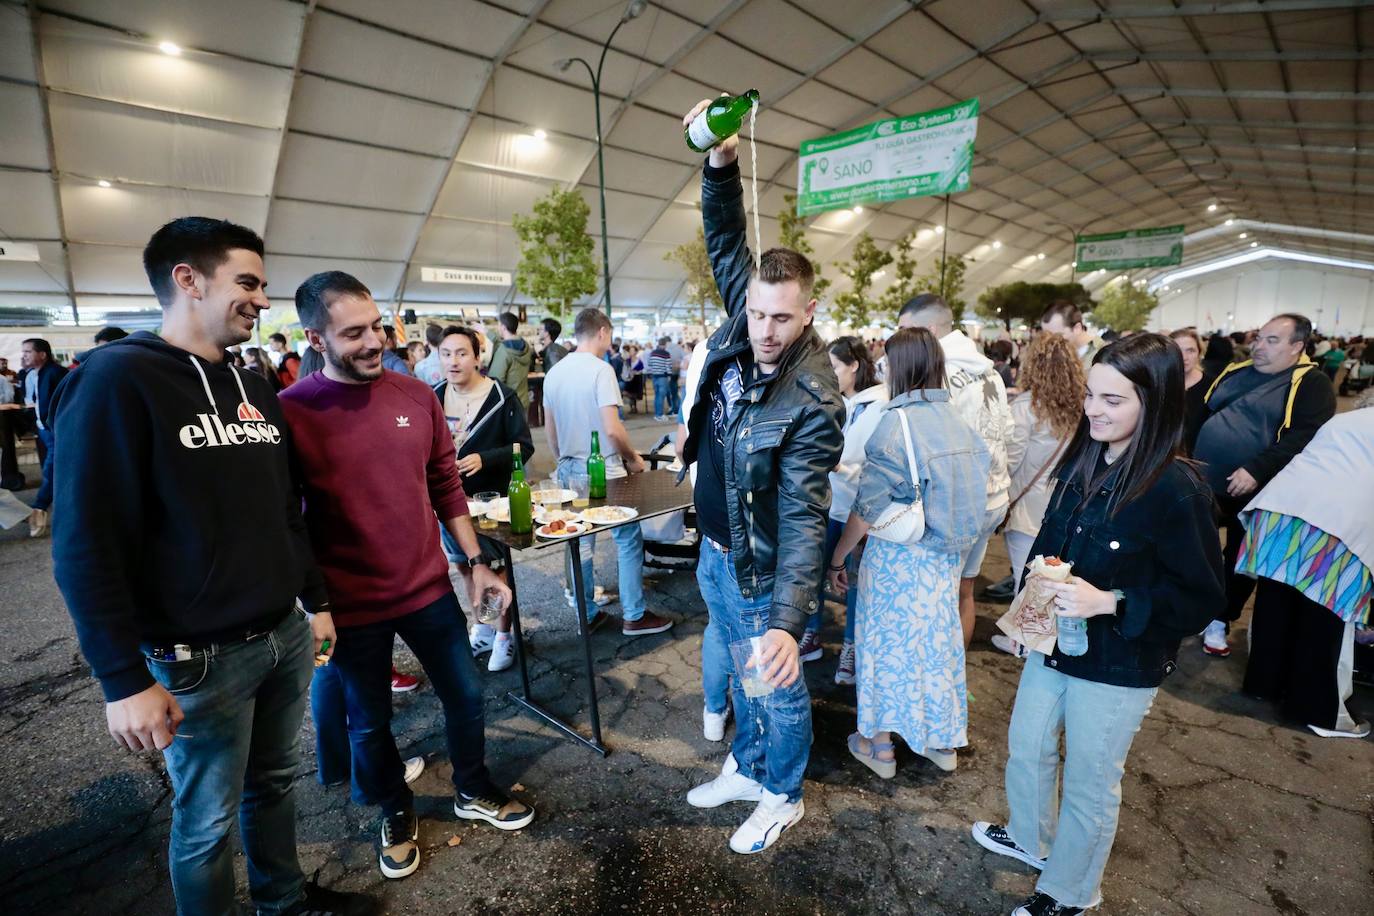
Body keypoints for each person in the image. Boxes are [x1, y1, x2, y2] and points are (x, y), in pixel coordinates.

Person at [48, 217, 373, 916]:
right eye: (247, 282)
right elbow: (83, 543)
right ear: (187, 280)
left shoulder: (250, 384)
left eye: (262, 284)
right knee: (206, 824)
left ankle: (283, 902)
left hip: (281, 636)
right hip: (198, 658)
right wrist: (122, 679)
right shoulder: (115, 380)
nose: (261, 299)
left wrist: (313, 603)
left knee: (276, 785)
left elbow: (285, 507)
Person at [280, 271, 534, 882]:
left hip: (426, 589)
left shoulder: (417, 396)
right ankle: (394, 810)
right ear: (315, 338)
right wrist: (312, 605)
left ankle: (472, 788)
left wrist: (475, 564)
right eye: (354, 333)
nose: (374, 342)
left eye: (377, 326)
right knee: (368, 722)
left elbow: (444, 483)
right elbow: (282, 517)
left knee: (468, 697)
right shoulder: (289, 412)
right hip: (347, 605)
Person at [972, 333, 1225, 916]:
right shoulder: (1087, 454)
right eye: (1092, 395)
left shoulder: (1177, 489)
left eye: (1114, 400)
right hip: (1052, 645)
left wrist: (1110, 600)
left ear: (1154, 403)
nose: (1094, 410)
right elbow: (1049, 545)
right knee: (1027, 747)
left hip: (1120, 664)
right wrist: (1024, 616)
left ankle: (1071, 893)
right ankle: (1032, 839)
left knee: (1089, 782)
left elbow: (1199, 598)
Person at [679, 96, 844, 855]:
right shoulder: (742, 321)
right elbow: (723, 235)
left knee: (777, 687)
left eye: (783, 318)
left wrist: (786, 620)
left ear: (808, 313)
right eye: (756, 315)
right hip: (714, 549)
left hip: (762, 570)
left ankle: (782, 793)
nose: (765, 331)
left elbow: (809, 515)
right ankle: (747, 767)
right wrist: (721, 160)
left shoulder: (814, 396)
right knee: (748, 684)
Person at [830, 328, 989, 777]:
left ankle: (878, 747)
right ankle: (941, 741)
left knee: (882, 648)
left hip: (900, 558)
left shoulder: (895, 424)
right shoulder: (959, 422)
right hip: (945, 559)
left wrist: (839, 556)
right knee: (936, 648)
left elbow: (867, 507)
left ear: (899, 368)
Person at [1193, 313, 1336, 657]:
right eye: (1259, 338)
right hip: (1203, 481)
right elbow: (1202, 412)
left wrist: (1257, 468)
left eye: (1272, 340)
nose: (1259, 346)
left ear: (1297, 347)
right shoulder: (1236, 372)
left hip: (1260, 490)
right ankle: (1193, 608)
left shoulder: (1310, 384)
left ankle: (1220, 618)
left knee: (1240, 560)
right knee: (1196, 548)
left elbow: (1304, 436)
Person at [1236, 398, 1372, 739]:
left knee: (1275, 606)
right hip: (1336, 528)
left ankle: (1263, 684)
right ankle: (1314, 710)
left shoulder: (1347, 419)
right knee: (1324, 622)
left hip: (1280, 511)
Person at [543, 308, 674, 636]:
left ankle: (586, 614)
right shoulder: (601, 371)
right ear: (602, 331)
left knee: (580, 542)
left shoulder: (554, 373)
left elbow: (550, 431)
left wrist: (565, 461)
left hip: (569, 468)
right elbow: (613, 430)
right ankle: (634, 614)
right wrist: (633, 458)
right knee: (628, 539)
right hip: (605, 467)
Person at [899, 294, 1013, 649]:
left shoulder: (938, 370)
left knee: (935, 596)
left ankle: (936, 678)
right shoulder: (988, 369)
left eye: (905, 331)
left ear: (930, 329)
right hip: (994, 495)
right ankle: (954, 674)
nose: (899, 340)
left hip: (957, 503)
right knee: (964, 589)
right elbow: (1007, 428)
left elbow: (930, 442)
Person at [432, 324, 534, 672]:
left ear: (478, 358)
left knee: (496, 568)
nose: (453, 361)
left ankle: (504, 635)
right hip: (450, 503)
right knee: (463, 566)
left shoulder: (501, 397)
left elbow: (525, 445)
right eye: (446, 354)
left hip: (494, 503)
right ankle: (485, 627)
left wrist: (486, 458)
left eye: (461, 353)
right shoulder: (433, 396)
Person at [991, 333, 1087, 659]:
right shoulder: (1080, 409)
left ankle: (1024, 644)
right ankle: (1038, 638)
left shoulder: (1026, 408)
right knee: (1054, 575)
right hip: (1065, 506)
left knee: (1026, 577)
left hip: (1027, 507)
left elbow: (1010, 462)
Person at [797, 335, 886, 681]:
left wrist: (836, 464)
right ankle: (813, 634)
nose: (830, 374)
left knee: (852, 582)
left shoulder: (877, 405)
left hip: (857, 511)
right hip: (828, 504)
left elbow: (874, 463)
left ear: (854, 365)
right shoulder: (845, 402)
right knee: (815, 573)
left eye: (834, 367)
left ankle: (851, 648)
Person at [16, 338, 67, 537]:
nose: (24, 356)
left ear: (42, 354)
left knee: (51, 469)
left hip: (57, 431)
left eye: (28, 351)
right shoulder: (33, 374)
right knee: (58, 470)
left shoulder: (57, 373)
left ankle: (39, 508)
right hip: (44, 430)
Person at [1168, 328, 1213, 454]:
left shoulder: (1213, 387)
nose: (1184, 357)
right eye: (1177, 351)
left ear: (1199, 353)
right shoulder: (1159, 384)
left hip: (1199, 458)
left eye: (1190, 350)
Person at [1039, 301, 1104, 371]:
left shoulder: (1104, 356)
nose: (1049, 341)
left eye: (1056, 336)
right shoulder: (1062, 355)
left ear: (1077, 328)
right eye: (1046, 336)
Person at [488, 312, 532, 409]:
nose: (498, 328)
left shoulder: (503, 351)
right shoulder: (526, 346)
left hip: (508, 404)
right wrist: (487, 332)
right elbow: (507, 343)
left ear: (503, 327)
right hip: (523, 400)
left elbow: (496, 380)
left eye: (499, 325)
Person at [646, 336, 676, 421]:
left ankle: (657, 414)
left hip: (654, 377)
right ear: (665, 344)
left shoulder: (652, 353)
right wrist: (669, 376)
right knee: (661, 396)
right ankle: (659, 415)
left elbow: (649, 364)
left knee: (657, 396)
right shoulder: (666, 354)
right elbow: (668, 366)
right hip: (663, 377)